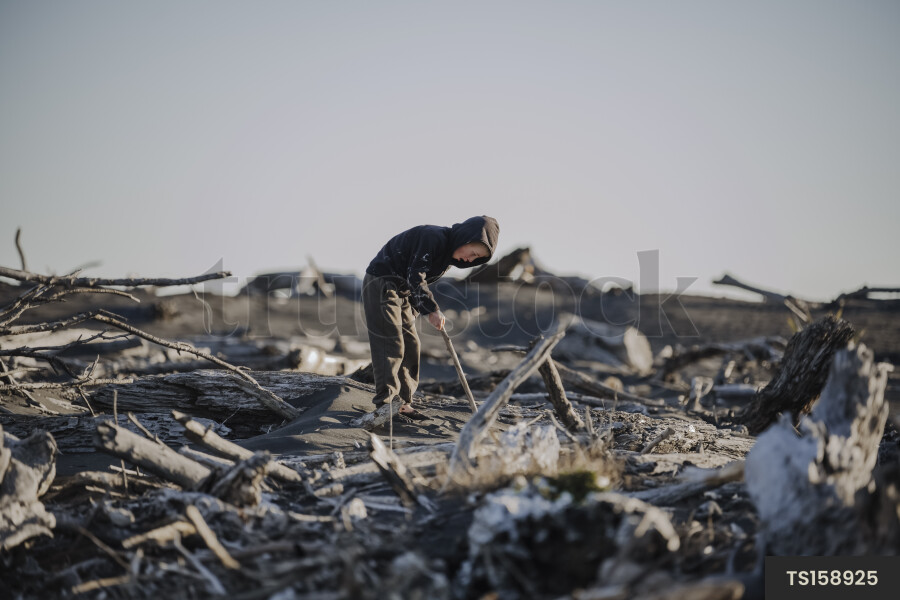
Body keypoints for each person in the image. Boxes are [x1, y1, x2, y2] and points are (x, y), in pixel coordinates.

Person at [362, 215, 499, 417]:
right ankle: (386, 404)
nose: (470, 259)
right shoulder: (432, 238)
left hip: (403, 292)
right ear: (465, 238)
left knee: (411, 343)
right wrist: (431, 309)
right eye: (473, 252)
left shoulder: (447, 258)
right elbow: (416, 276)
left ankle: (403, 402)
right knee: (391, 342)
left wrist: (417, 310)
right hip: (382, 281)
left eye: (476, 259)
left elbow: (415, 284)